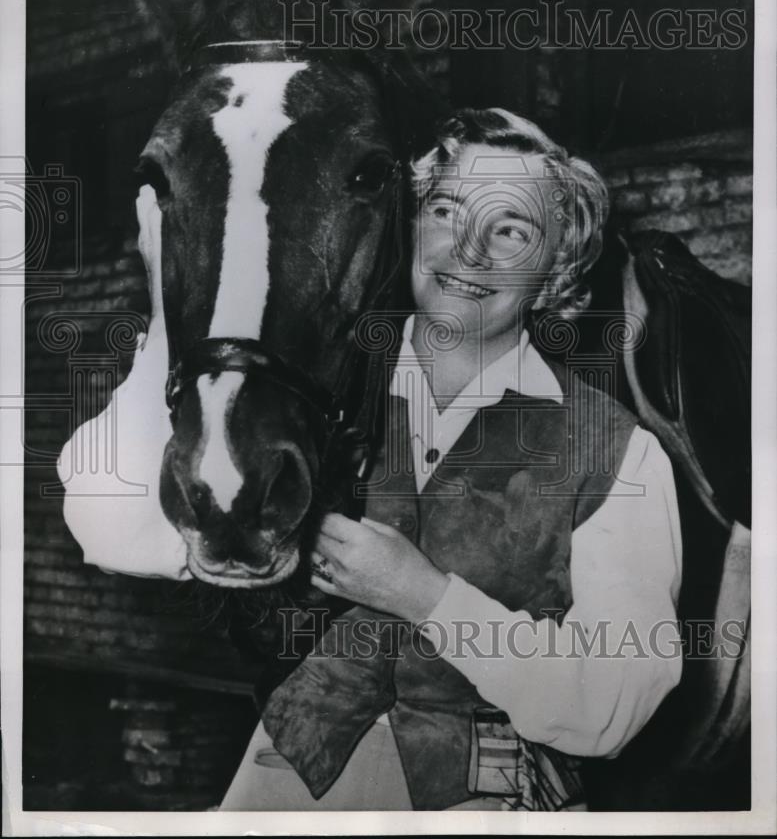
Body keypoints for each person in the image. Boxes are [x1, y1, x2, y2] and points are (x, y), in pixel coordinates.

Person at [218, 108, 683, 811]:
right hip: (285, 780)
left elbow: (610, 707)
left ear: (555, 265)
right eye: (446, 209)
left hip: (483, 798)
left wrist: (423, 595)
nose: (468, 249)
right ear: (410, 224)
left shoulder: (618, 454)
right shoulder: (303, 391)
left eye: (511, 229)